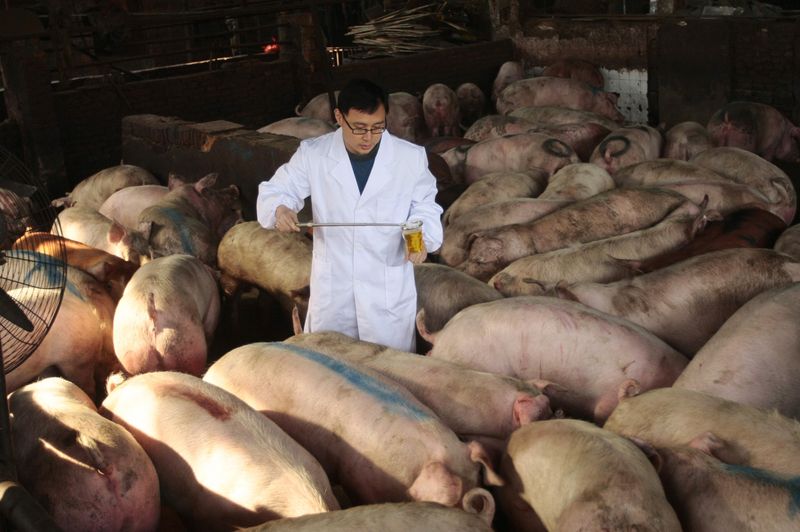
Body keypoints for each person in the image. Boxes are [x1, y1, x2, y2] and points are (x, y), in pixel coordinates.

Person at [256, 78, 443, 352]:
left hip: (386, 295)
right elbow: (276, 190)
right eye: (359, 128)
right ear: (339, 117)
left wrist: (419, 238)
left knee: (389, 376)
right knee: (331, 372)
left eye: (378, 127)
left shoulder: (410, 158)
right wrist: (280, 208)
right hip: (334, 293)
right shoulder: (314, 154)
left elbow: (425, 207)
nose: (369, 137)